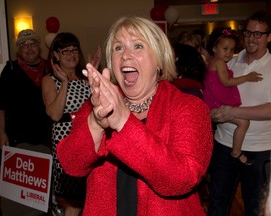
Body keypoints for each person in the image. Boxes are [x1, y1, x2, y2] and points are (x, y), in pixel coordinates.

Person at [56, 16, 213, 215]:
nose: (125, 56)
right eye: (118, 48)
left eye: (138, 46)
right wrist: (96, 123)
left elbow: (183, 179)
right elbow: (72, 165)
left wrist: (123, 121)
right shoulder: (97, 104)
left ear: (159, 59)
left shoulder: (189, 107)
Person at [208, 10, 271, 215]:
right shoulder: (230, 60)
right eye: (248, 32)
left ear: (269, 37)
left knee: (256, 208)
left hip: (259, 150)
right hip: (223, 145)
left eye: (258, 34)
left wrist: (234, 111)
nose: (251, 38)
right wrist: (213, 114)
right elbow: (213, 92)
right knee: (217, 204)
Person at [42, 32, 101, 216]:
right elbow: (54, 114)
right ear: (56, 55)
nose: (71, 54)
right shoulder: (49, 80)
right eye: (65, 50)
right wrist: (65, 82)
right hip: (66, 142)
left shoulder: (85, 78)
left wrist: (95, 77)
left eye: (74, 49)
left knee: (92, 197)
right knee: (72, 204)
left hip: (90, 141)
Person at [204, 27, 263, 165]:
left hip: (214, 104)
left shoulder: (213, 62)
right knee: (244, 122)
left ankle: (236, 151)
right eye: (225, 48)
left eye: (232, 49)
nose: (229, 53)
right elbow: (227, 81)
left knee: (242, 123)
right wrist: (247, 77)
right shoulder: (218, 62)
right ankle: (236, 152)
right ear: (214, 48)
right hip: (216, 105)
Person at [0, 29, 52, 153]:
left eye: (33, 43)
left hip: (47, 139)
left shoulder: (50, 68)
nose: (29, 48)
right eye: (24, 45)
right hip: (18, 139)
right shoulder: (10, 70)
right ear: (19, 49)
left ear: (39, 46)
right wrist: (1, 133)